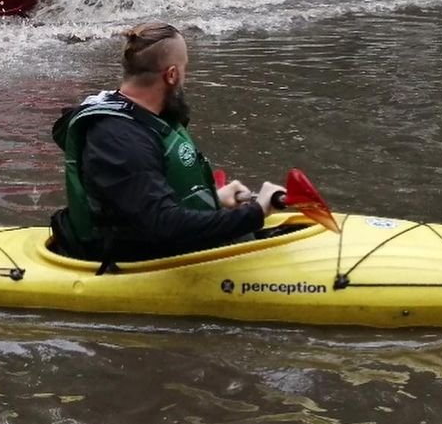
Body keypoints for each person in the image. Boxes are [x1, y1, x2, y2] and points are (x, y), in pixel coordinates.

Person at [50, 21, 284, 265]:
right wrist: (255, 212)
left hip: (156, 242)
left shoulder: (142, 117)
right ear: (171, 75)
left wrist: (213, 198)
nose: (185, 78)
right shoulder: (120, 140)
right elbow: (161, 226)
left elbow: (144, 199)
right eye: (184, 70)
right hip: (132, 263)